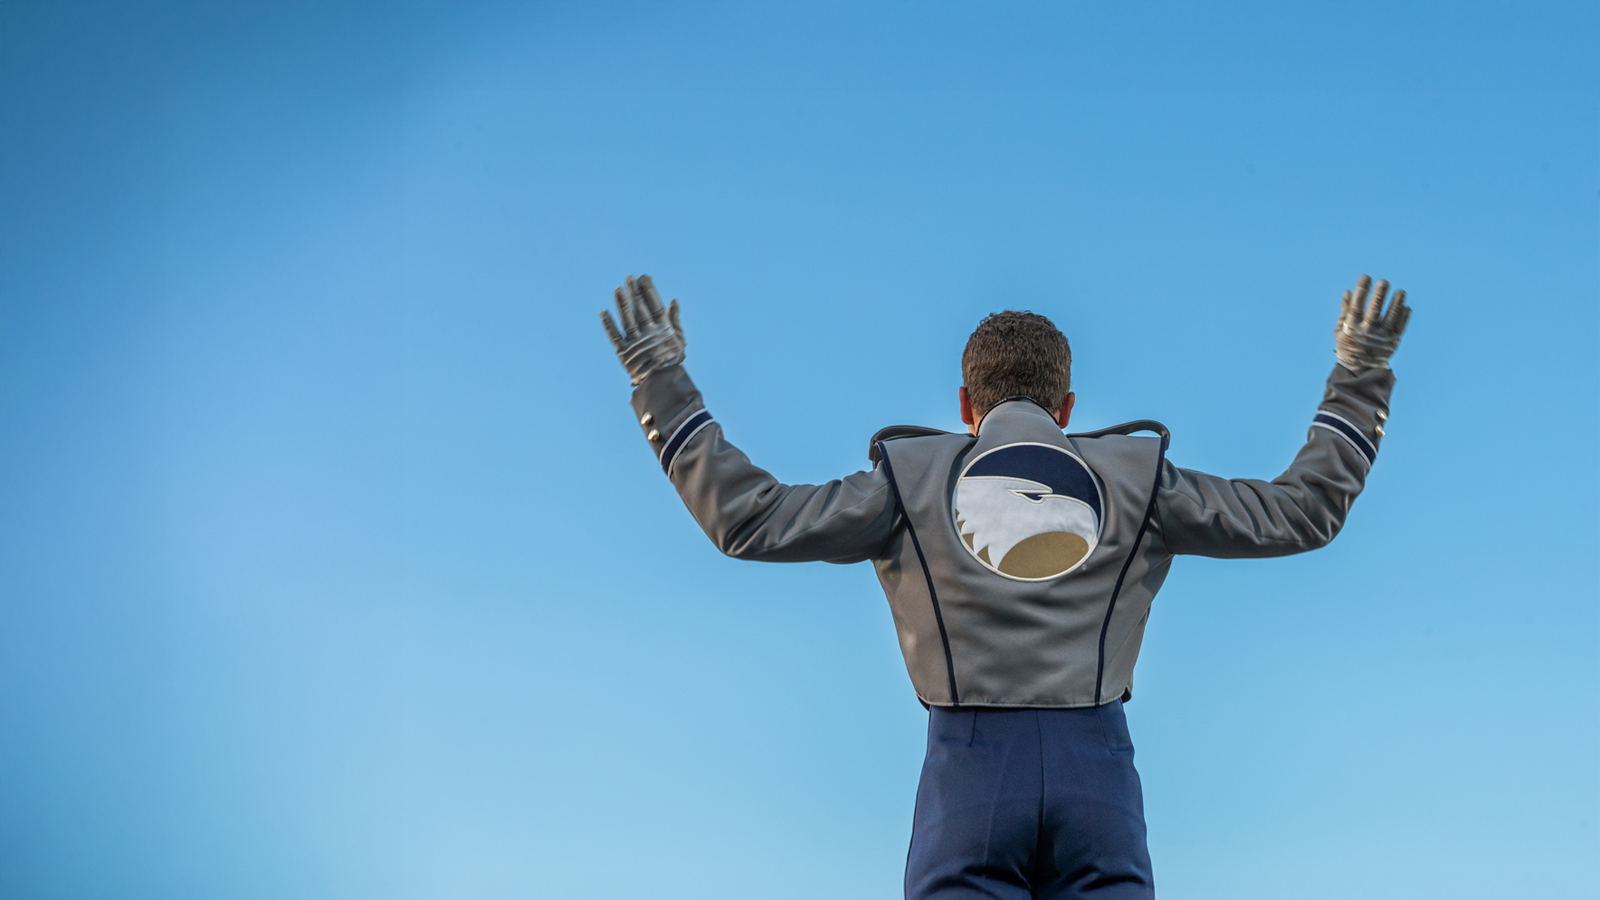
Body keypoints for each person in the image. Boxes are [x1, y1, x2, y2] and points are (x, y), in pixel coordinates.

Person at [600, 274, 1410, 900]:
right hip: (1100, 774)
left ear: (965, 404)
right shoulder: (1140, 476)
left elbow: (752, 520)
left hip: (967, 772)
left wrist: (661, 382)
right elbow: (1301, 513)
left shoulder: (909, 477)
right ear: (1066, 406)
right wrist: (1360, 375)